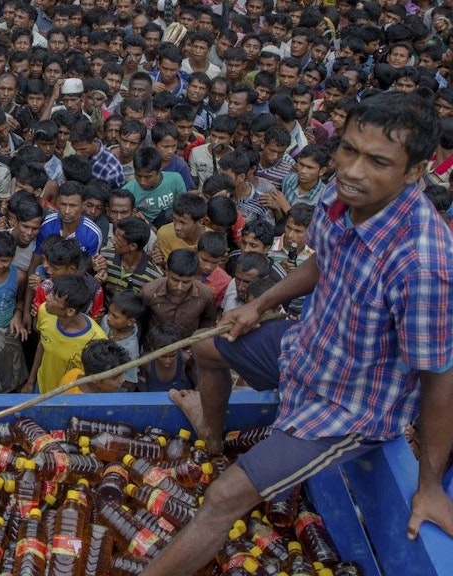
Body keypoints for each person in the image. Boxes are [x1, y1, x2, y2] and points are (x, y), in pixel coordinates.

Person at [146, 92, 453, 575]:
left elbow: (438, 381)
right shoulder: (341, 193)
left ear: (415, 171)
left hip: (352, 405)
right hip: (306, 346)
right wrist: (259, 304)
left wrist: (430, 484)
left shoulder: (424, 263)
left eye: (377, 161)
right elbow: (322, 261)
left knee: (223, 496)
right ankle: (211, 433)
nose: (352, 169)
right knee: (207, 347)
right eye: (348, 150)